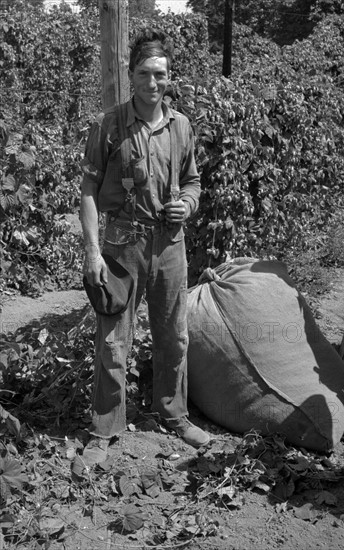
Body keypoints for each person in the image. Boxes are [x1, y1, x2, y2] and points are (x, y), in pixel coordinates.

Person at [79, 28, 210, 465]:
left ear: (168, 77)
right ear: (130, 76)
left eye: (160, 74)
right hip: (121, 246)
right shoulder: (109, 125)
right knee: (114, 339)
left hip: (170, 245)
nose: (153, 83)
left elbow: (192, 180)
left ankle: (173, 415)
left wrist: (187, 205)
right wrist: (93, 252)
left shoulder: (181, 126)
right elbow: (89, 190)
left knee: (174, 335)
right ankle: (105, 427)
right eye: (144, 74)